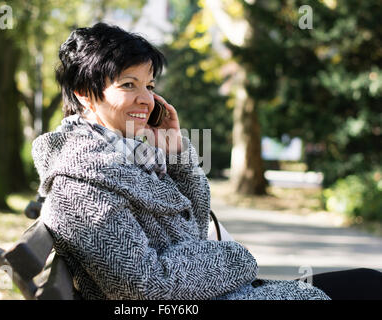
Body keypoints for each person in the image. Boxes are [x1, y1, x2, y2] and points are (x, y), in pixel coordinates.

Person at [32, 22, 381, 300]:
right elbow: (146, 287)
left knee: (368, 283)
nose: (147, 100)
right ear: (84, 93)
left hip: (215, 291)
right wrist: (236, 258)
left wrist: (177, 154)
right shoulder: (80, 186)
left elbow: (195, 227)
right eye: (129, 84)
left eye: (150, 86)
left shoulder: (122, 156)